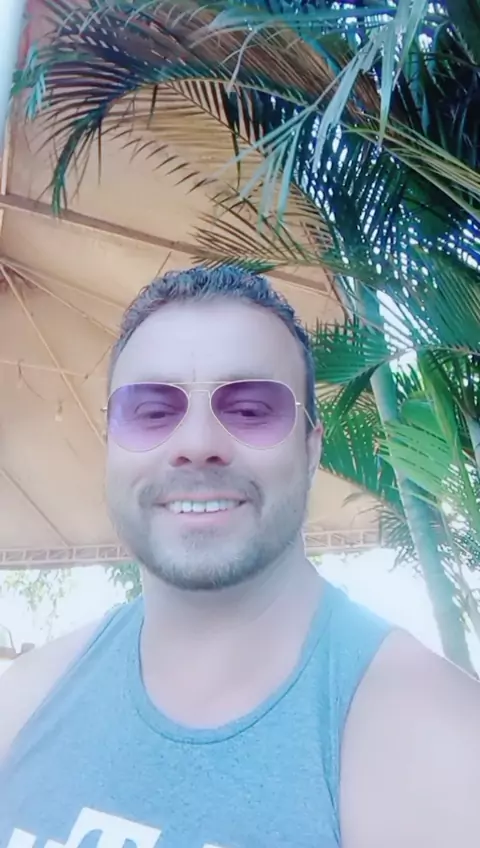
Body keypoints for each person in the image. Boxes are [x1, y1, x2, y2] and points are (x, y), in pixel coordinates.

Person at [0, 266, 479, 848]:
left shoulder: (439, 748)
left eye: (250, 410)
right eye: (152, 412)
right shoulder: (25, 700)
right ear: (112, 446)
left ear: (311, 448)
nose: (197, 444)